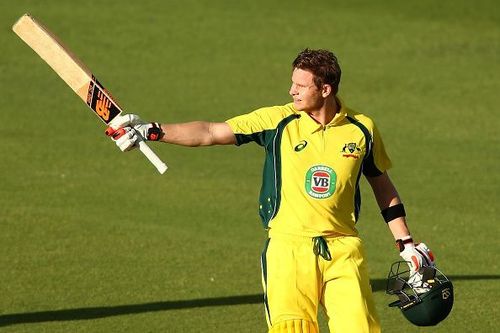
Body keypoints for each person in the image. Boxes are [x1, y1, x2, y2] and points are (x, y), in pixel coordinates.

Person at [107, 49, 434, 333]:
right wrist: (153, 131)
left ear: (325, 88)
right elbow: (209, 132)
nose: (291, 90)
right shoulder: (278, 121)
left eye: (300, 85)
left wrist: (405, 244)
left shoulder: (362, 129)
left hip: (344, 249)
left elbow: (382, 185)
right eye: (292, 82)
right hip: (288, 251)